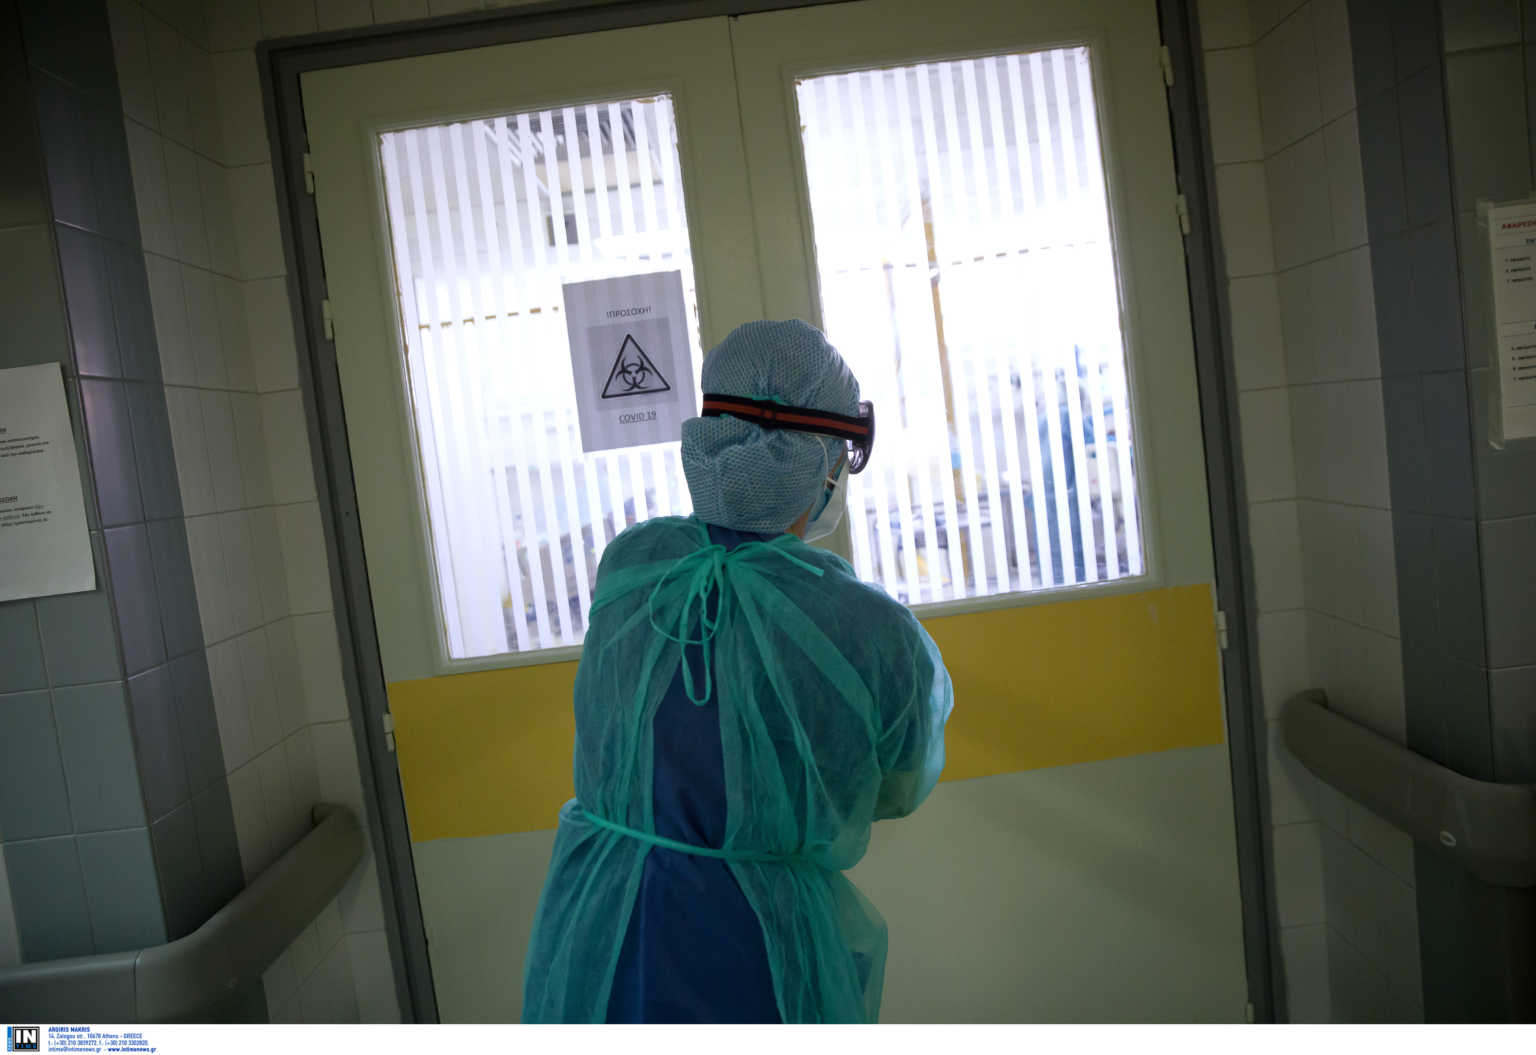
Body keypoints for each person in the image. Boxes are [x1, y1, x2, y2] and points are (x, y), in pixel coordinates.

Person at [522, 320, 954, 1024]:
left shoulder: (634, 566)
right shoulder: (865, 628)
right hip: (753, 946)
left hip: (602, 926)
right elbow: (897, 784)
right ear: (822, 464)